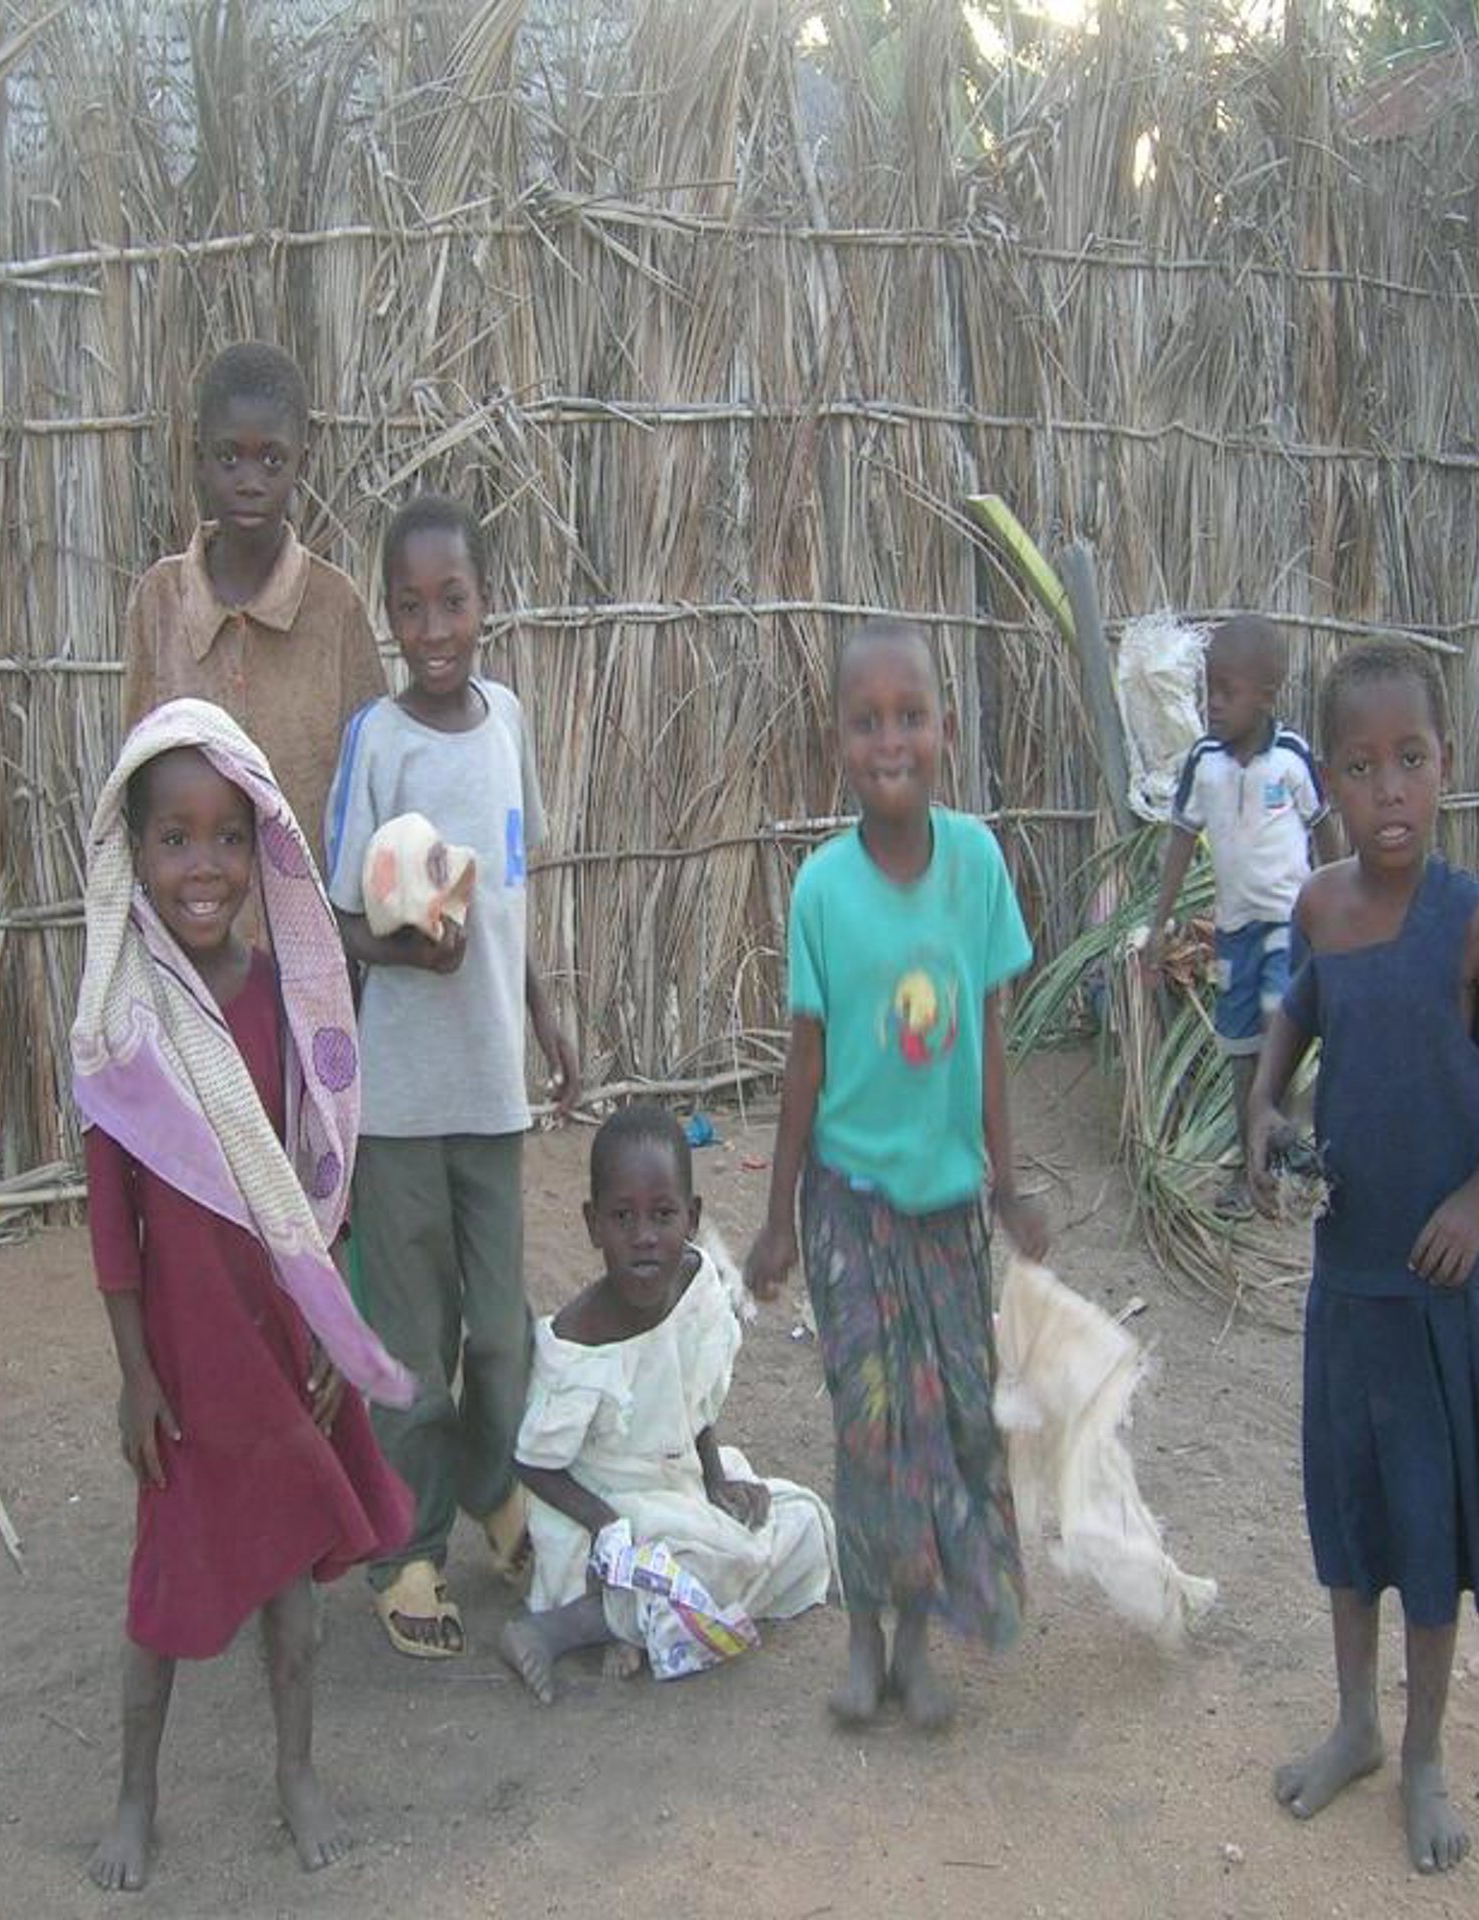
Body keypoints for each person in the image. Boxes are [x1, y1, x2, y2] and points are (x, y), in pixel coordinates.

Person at [72, 700, 416, 1891]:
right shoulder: (123, 1026)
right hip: (185, 1357)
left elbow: (322, 1173)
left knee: (290, 1589)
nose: (205, 866)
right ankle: (135, 1796)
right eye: (175, 839)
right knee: (163, 1593)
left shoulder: (287, 1000)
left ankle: (296, 1773)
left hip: (276, 1342)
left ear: (262, 846)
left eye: (227, 837)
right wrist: (134, 1372)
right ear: (134, 853)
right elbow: (111, 1218)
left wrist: (328, 1326)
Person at [1245, 640, 1479, 1874]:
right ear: (1326, 780)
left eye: (1412, 761)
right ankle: (1356, 1728)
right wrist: (1264, 1115)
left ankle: (1425, 1753)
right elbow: (1292, 1025)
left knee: (1430, 1531)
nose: (1389, 790)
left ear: (1446, 767)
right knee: (1355, 1516)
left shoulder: (1467, 921)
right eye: (1362, 767)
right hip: (1350, 1282)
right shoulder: (1320, 909)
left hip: (1440, 1288)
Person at [744, 618, 1049, 1732]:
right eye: (867, 722)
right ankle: (864, 1638)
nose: (891, 742)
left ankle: (918, 1643)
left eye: (910, 717)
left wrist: (1007, 1183)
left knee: (950, 1416)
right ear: (838, 744)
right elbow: (806, 1061)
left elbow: (992, 1039)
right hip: (849, 1202)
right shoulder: (823, 889)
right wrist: (778, 1221)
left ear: (945, 730)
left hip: (948, 1204)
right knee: (871, 1420)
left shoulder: (977, 867)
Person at [324, 492, 581, 1659]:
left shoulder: (507, 722)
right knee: (412, 1341)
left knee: (502, 1332)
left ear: (488, 603)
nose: (435, 629)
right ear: (389, 616)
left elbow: (507, 898)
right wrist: (408, 953)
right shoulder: (379, 743)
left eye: (455, 601)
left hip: (490, 1092)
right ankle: (408, 1548)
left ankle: (493, 1487)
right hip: (401, 1104)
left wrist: (546, 1018)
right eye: (412, 606)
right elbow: (339, 921)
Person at [497, 1106, 836, 1703]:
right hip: (598, 1508)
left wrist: (715, 1478)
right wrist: (605, 1525)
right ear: (593, 1224)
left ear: (692, 1217)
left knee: (798, 1523)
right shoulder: (578, 1344)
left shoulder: (695, 1286)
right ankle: (555, 1629)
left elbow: (693, 1393)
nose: (644, 1237)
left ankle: (634, 1625)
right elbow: (531, 1463)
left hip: (676, 1480)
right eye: (621, 1218)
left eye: (662, 1215)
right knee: (687, 1560)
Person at [121, 340, 385, 868]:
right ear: (198, 460)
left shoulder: (336, 608)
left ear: (301, 463)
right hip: (191, 915)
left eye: (271, 460)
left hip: (315, 915)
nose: (249, 482)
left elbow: (373, 779)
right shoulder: (160, 601)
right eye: (228, 458)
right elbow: (135, 778)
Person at [1140, 615, 1340, 1215]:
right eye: (1209, 690)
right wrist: (1159, 924)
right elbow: (1181, 841)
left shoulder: (1292, 759)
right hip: (1234, 932)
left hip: (1289, 922)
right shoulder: (1204, 763)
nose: (1214, 703)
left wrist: (1341, 908)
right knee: (1239, 1047)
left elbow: (1325, 833)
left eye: (1227, 691)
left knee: (1281, 1025)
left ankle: (1287, 1136)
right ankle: (1250, 1168)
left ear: (1267, 695)